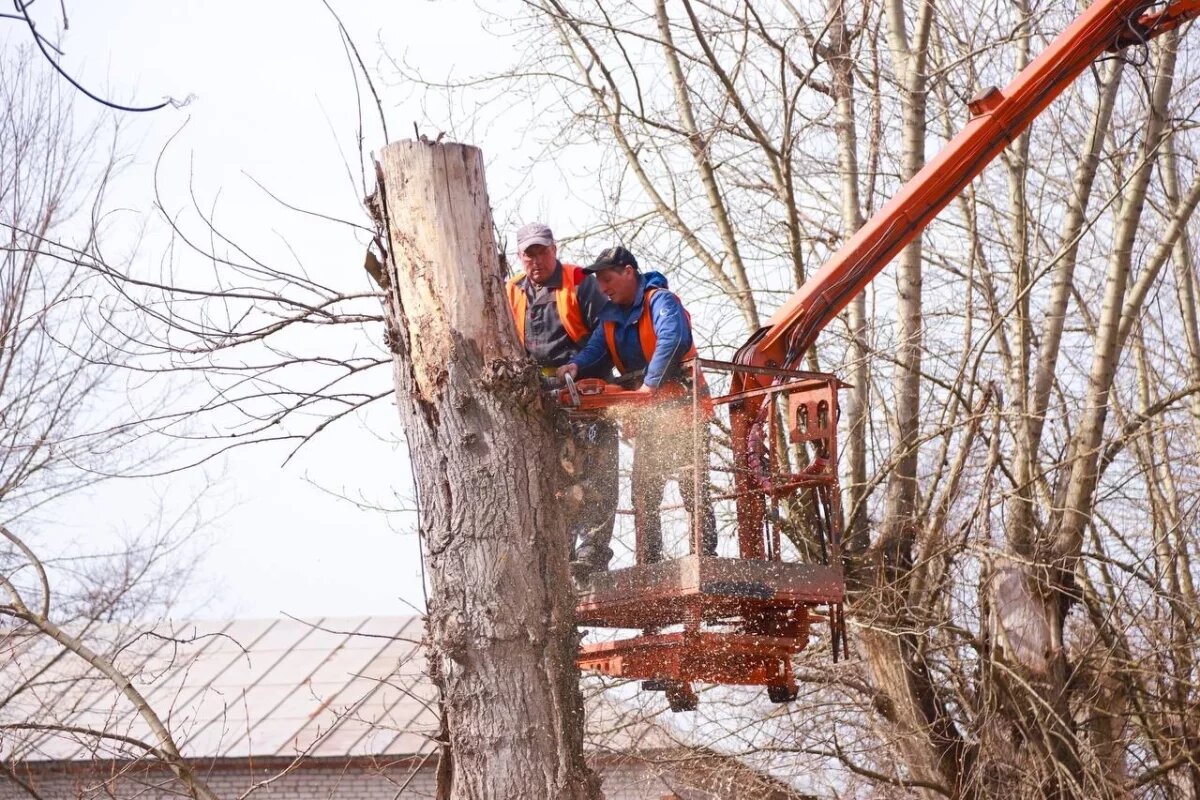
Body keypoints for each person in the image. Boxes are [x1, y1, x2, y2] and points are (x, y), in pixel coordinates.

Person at [557, 246, 717, 566]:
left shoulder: (660, 301)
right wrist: (575, 367)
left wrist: (649, 385)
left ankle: (704, 555)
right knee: (645, 488)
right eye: (599, 282)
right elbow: (596, 349)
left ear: (629, 272)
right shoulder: (612, 317)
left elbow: (671, 340)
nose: (603, 288)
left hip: (683, 409)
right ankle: (650, 561)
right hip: (650, 417)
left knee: (692, 482)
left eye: (607, 279)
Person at [505, 223, 618, 582]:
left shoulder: (580, 282)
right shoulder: (512, 291)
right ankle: (562, 554)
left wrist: (579, 364)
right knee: (556, 478)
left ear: (555, 248)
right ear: (520, 257)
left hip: (586, 387)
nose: (536, 260)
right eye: (529, 254)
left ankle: (593, 552)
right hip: (542, 396)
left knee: (598, 471)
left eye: (542, 251)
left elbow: (606, 330)